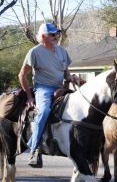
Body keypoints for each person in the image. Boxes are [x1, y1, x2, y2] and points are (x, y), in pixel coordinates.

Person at [18, 23, 78, 167]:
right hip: (43, 88)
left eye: (56, 34)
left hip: (61, 87)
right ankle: (34, 150)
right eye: (52, 34)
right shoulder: (35, 52)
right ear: (43, 36)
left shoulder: (62, 51)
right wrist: (29, 96)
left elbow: (66, 71)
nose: (55, 36)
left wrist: (70, 78)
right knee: (44, 111)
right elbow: (22, 75)